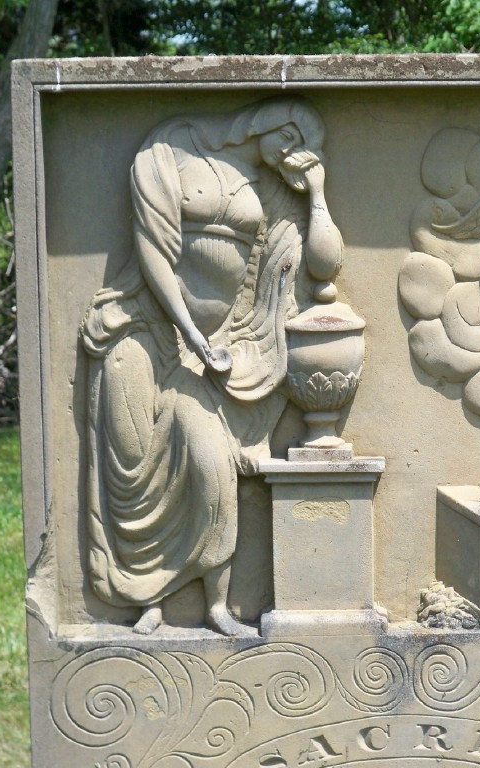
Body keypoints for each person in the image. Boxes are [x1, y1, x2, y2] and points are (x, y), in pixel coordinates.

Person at [80, 97, 341, 636]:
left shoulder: (272, 188)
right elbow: (153, 254)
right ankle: (150, 598)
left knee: (211, 466)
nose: (291, 151)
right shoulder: (167, 150)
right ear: (265, 119)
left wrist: (316, 194)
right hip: (142, 330)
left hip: (218, 350)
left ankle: (218, 605)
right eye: (289, 135)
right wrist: (190, 335)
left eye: (302, 145)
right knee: (133, 465)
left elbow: (324, 265)